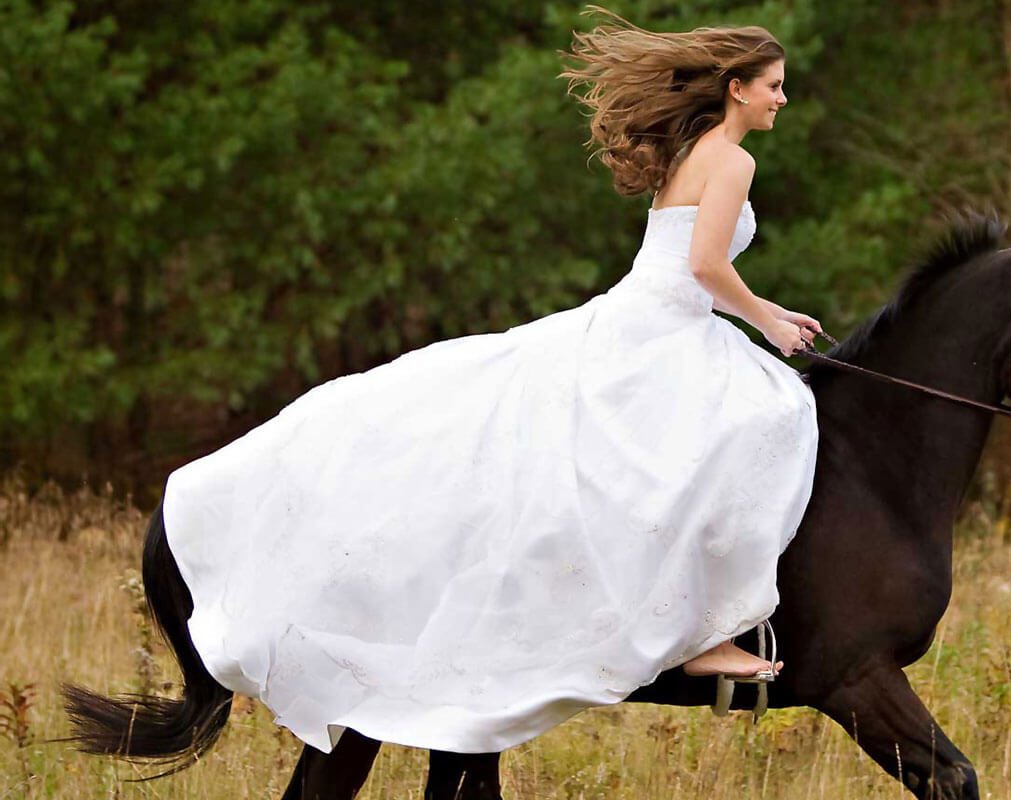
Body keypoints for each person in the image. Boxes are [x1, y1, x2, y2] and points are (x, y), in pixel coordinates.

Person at [161, 7, 819, 755]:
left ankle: (693, 620)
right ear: (736, 88)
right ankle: (704, 633)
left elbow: (690, 262)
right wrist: (766, 320)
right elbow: (703, 266)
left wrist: (766, 310)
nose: (781, 99)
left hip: (648, 315)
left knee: (687, 449)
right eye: (773, 86)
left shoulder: (696, 147)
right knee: (772, 418)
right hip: (665, 326)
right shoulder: (732, 160)